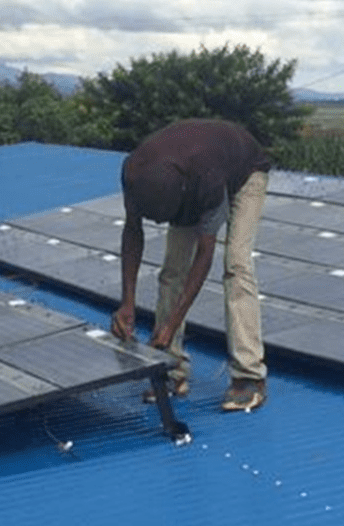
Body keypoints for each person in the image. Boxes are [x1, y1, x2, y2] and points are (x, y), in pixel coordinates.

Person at [110, 118, 271, 413]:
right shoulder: (134, 173)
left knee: (236, 265)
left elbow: (204, 256)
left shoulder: (206, 183)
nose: (160, 223)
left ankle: (249, 376)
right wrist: (127, 303)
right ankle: (171, 369)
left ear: (182, 196)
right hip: (196, 175)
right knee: (172, 270)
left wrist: (171, 324)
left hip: (246, 170)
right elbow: (133, 233)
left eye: (165, 218)